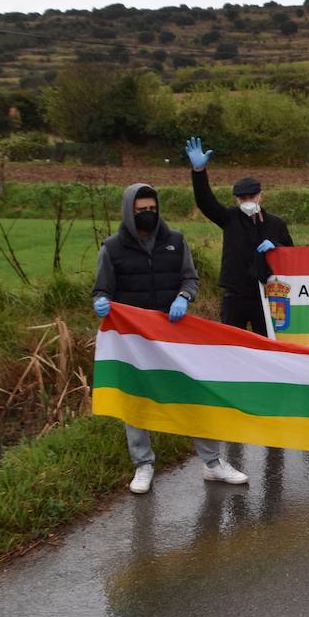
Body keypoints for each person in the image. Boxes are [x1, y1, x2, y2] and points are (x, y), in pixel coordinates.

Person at [92, 183, 249, 494]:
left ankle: (212, 462)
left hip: (174, 337)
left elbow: (190, 278)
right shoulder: (112, 248)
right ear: (128, 212)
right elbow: (101, 289)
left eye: (152, 209)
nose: (148, 215)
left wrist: (183, 296)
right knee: (136, 401)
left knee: (192, 395)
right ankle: (143, 464)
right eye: (141, 211)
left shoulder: (175, 242)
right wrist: (100, 303)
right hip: (134, 341)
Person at [184, 137, 294, 336]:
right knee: (232, 345)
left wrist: (276, 246)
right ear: (236, 199)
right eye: (243, 198)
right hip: (234, 296)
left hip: (266, 296)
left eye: (252, 197)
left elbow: (291, 254)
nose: (248, 201)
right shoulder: (229, 218)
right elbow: (205, 201)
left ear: (261, 195)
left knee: (267, 346)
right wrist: (199, 173)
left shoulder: (276, 224)